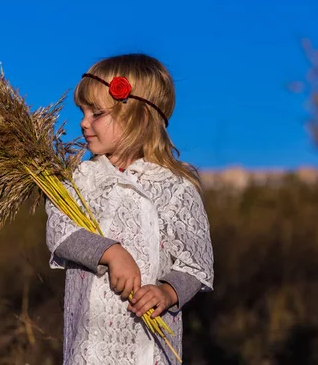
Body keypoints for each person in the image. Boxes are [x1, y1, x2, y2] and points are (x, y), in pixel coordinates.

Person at [46, 53, 214, 364]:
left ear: (139, 117)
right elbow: (61, 231)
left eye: (97, 112)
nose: (83, 122)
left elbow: (195, 264)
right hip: (90, 345)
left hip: (148, 347)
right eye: (82, 112)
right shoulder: (81, 179)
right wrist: (111, 253)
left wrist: (167, 291)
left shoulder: (176, 187)